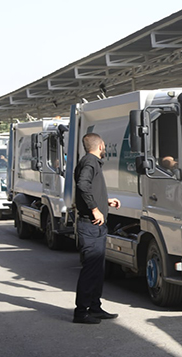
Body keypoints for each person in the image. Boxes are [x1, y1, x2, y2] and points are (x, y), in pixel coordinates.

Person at [73, 133, 121, 324]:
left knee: (98, 270)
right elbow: (82, 185)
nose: (105, 148)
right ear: (100, 146)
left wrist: (105, 201)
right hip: (90, 226)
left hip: (95, 226)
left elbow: (89, 189)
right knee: (91, 269)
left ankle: (95, 307)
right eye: (104, 145)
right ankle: (81, 312)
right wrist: (95, 209)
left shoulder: (90, 162)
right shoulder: (90, 162)